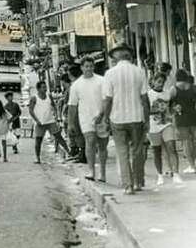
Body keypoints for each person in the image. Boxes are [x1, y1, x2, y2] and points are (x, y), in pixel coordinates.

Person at [96, 42, 149, 195]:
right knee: (137, 151)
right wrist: (146, 120)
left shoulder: (110, 74)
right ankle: (138, 181)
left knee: (122, 152)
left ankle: (128, 185)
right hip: (136, 117)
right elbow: (144, 99)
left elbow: (107, 100)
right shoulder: (139, 72)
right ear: (129, 56)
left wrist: (105, 118)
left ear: (115, 58)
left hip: (117, 118)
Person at [68, 56, 107, 182]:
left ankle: (103, 172)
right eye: (86, 66)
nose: (89, 69)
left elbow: (108, 99)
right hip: (85, 118)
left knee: (102, 146)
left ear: (93, 67)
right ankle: (91, 171)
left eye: (91, 66)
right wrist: (70, 124)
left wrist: (105, 116)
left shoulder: (102, 81)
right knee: (90, 142)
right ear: (81, 68)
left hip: (101, 117)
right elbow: (72, 105)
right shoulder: (76, 85)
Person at [148, 72, 182, 185]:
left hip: (167, 124)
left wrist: (175, 109)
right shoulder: (148, 95)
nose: (160, 84)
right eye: (158, 82)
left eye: (162, 82)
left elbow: (171, 107)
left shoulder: (167, 94)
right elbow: (145, 110)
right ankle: (159, 175)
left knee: (171, 147)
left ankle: (176, 173)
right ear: (153, 81)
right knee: (156, 151)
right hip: (153, 126)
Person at [29, 81, 70, 164]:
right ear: (38, 89)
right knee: (38, 140)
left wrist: (56, 116)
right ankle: (37, 158)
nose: (45, 89)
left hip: (50, 121)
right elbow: (31, 111)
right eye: (43, 87)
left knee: (59, 137)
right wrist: (37, 120)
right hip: (40, 122)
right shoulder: (34, 98)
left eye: (45, 87)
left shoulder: (49, 96)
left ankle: (69, 152)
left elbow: (54, 106)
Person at [170, 69, 196, 174]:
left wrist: (175, 108)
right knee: (194, 141)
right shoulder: (193, 88)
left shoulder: (174, 89)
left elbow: (169, 103)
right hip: (193, 115)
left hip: (180, 118)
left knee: (186, 142)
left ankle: (191, 166)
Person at [66, 65, 86, 163]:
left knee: (78, 132)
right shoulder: (83, 83)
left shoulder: (75, 85)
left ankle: (82, 155)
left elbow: (72, 104)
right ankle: (81, 153)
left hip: (77, 111)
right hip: (83, 111)